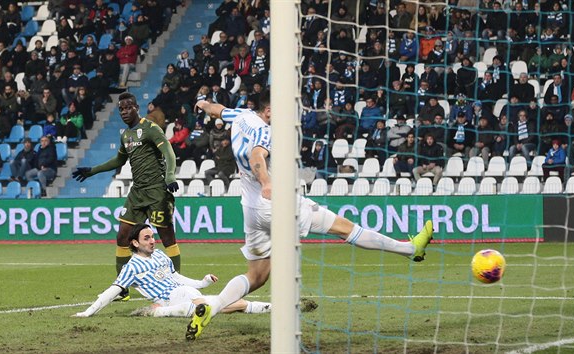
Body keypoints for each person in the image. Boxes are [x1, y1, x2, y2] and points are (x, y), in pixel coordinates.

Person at [188, 93, 434, 340]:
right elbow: (256, 157)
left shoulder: (241, 115)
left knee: (256, 276)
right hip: (275, 204)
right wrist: (266, 182)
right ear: (270, 111)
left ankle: (212, 307)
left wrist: (203, 104)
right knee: (345, 228)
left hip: (250, 209)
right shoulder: (265, 130)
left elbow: (217, 109)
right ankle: (411, 249)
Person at [72, 92, 181, 299]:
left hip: (157, 190)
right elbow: (118, 161)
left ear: (136, 108)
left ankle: (176, 285)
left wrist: (170, 176)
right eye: (121, 108)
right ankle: (122, 289)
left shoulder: (150, 128)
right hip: (138, 191)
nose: (124, 111)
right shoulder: (126, 136)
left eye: (128, 107)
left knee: (167, 238)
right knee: (122, 236)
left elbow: (168, 151)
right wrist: (92, 170)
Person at [73, 224, 271, 318]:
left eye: (152, 237)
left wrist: (202, 282)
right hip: (172, 296)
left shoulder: (159, 255)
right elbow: (112, 291)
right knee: (216, 305)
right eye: (147, 238)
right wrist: (88, 312)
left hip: (184, 293)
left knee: (229, 304)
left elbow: (176, 276)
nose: (152, 241)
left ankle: (160, 312)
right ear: (134, 243)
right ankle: (164, 310)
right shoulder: (131, 267)